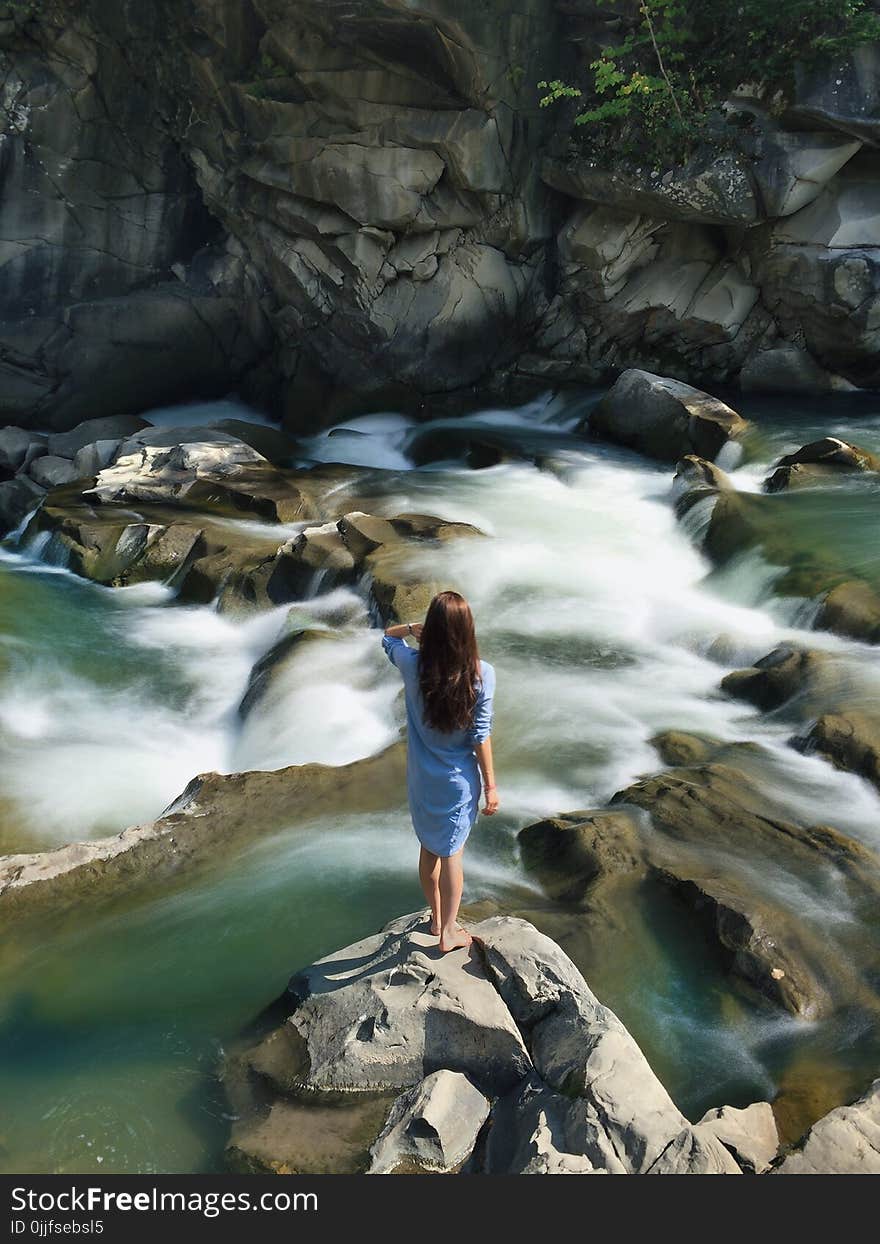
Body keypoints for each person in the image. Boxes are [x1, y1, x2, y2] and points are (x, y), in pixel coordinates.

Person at [381, 590, 498, 953]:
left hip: (421, 779)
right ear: (467, 631)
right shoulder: (481, 675)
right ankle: (449, 931)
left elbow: (387, 636)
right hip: (457, 782)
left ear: (431, 629)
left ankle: (435, 918)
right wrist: (491, 786)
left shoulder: (412, 664)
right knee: (452, 853)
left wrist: (413, 627)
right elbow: (480, 736)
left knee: (429, 849)